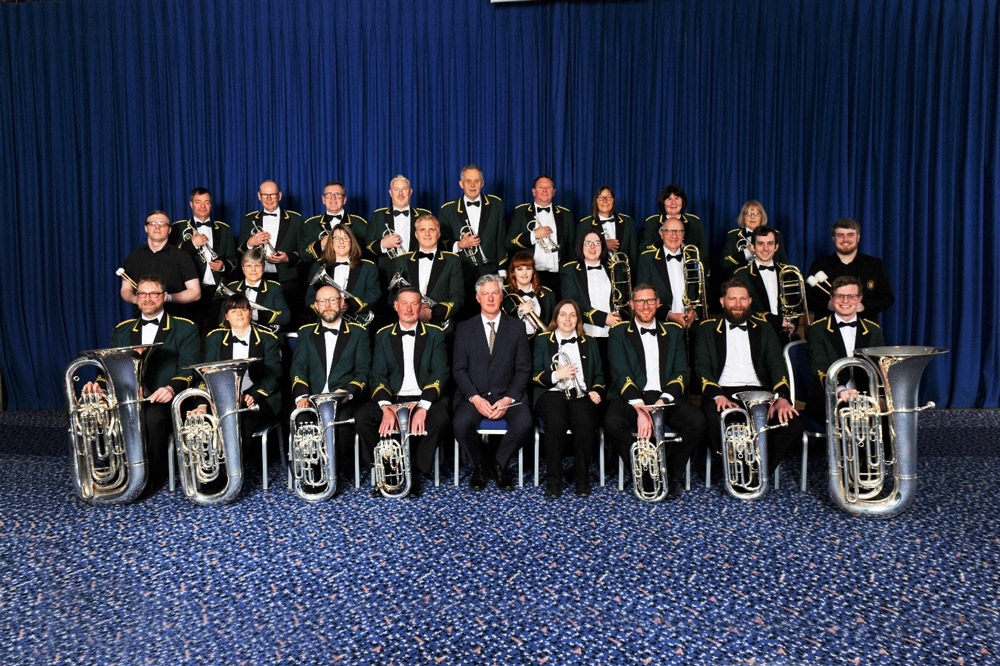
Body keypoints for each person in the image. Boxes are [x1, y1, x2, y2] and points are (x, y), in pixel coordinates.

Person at [88, 275, 200, 491]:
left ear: (164, 296)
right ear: (136, 297)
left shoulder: (185, 328)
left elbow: (189, 367)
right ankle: (115, 471)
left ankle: (150, 479)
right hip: (127, 396)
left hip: (163, 397)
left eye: (153, 294)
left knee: (151, 418)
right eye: (142, 294)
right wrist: (98, 386)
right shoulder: (122, 330)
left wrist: (171, 388)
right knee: (100, 412)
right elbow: (109, 366)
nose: (147, 299)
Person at [692, 279, 805, 485]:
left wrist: (781, 398)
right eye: (732, 299)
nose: (738, 304)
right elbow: (702, 366)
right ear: (722, 302)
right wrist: (717, 396)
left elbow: (776, 365)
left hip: (759, 392)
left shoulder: (764, 328)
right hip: (722, 391)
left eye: (743, 299)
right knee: (710, 420)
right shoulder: (707, 329)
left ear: (750, 301)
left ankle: (758, 472)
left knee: (792, 424)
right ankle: (733, 470)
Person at [602, 285, 705, 499]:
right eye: (640, 301)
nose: (646, 306)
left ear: (658, 303)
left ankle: (668, 474)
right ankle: (643, 474)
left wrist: (661, 402)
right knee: (612, 422)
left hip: (664, 395)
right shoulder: (619, 332)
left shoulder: (674, 331)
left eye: (650, 300)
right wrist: (640, 409)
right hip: (631, 395)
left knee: (697, 422)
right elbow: (620, 372)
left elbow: (681, 372)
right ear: (632, 305)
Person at [355, 288, 450, 498]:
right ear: (396, 306)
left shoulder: (435, 334)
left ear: (421, 307)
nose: (409, 309)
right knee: (363, 416)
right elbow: (377, 375)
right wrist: (386, 407)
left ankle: (416, 472)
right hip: (393, 398)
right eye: (404, 304)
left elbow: (440, 372)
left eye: (414, 303)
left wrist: (423, 407)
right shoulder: (383, 335)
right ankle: (387, 470)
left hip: (423, 397)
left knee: (440, 417)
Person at [452, 274, 533, 491]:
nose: (490, 298)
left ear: (501, 296)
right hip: (475, 395)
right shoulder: (464, 328)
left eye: (495, 293)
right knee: (460, 424)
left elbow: (523, 369)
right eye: (485, 294)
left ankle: (498, 464)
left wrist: (508, 399)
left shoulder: (517, 327)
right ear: (477, 298)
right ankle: (478, 465)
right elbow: (459, 369)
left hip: (508, 395)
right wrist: (475, 398)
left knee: (524, 423)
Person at [289, 284, 372, 474]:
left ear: (342, 303)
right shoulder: (306, 332)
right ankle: (311, 472)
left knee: (341, 423)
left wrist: (348, 393)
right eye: (322, 301)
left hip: (342, 400)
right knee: (301, 418)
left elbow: (363, 371)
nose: (327, 305)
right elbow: (298, 368)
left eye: (333, 300)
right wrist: (302, 396)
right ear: (316, 306)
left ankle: (331, 473)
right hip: (312, 398)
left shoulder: (359, 333)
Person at [531, 300, 605, 498]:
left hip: (581, 394)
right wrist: (557, 374)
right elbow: (534, 375)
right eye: (563, 314)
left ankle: (582, 479)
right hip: (551, 393)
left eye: (572, 315)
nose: (568, 319)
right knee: (556, 422)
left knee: (585, 422)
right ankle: (553, 480)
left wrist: (596, 390)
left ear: (578, 319)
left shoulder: (589, 342)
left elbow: (599, 375)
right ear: (556, 318)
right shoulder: (542, 340)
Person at [200, 294, 283, 452]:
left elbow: (273, 375)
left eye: (243, 310)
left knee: (241, 422)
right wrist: (206, 402)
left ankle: (240, 466)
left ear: (250, 313)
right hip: (223, 397)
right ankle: (217, 466)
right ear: (226, 316)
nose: (239, 314)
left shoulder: (268, 339)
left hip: (260, 397)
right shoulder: (215, 338)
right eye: (233, 311)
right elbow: (206, 373)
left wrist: (252, 395)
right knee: (204, 422)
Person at [804, 276, 885, 423]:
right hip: (828, 395)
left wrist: (880, 397)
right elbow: (819, 365)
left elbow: (879, 366)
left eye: (851, 296)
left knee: (890, 416)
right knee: (850, 414)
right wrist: (840, 390)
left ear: (859, 299)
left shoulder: (873, 329)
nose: (845, 301)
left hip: (865, 395)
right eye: (840, 296)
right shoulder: (817, 329)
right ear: (832, 298)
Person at [169, 187, 239, 329]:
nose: (202, 206)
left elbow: (233, 260)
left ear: (211, 205)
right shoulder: (178, 227)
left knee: (218, 331)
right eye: (198, 202)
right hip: (190, 289)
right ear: (191, 204)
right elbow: (172, 259)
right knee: (191, 331)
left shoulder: (224, 229)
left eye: (207, 202)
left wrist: (223, 266)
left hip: (217, 291)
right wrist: (192, 245)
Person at [237, 180, 304, 322]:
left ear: (279, 196)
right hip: (256, 277)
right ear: (259, 196)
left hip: (286, 279)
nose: (268, 199)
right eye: (264, 195)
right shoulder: (249, 219)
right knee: (255, 318)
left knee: (287, 320)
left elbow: (303, 252)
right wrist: (250, 243)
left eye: (272, 195)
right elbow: (239, 251)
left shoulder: (295, 219)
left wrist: (287, 258)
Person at [806, 217, 894, 324]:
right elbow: (807, 299)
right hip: (826, 327)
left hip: (866, 327)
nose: (845, 239)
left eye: (850, 235)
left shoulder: (874, 265)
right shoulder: (819, 265)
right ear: (833, 238)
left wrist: (864, 306)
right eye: (840, 235)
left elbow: (887, 298)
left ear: (858, 237)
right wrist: (827, 304)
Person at [559, 231, 624, 371]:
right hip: (586, 333)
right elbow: (572, 303)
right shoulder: (570, 270)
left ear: (603, 246)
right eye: (588, 243)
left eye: (597, 243)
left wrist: (619, 315)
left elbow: (623, 298)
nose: (592, 247)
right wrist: (603, 318)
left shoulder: (615, 267)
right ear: (581, 246)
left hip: (614, 333)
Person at [388, 215, 463, 329]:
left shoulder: (452, 260)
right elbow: (392, 298)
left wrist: (433, 313)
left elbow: (458, 297)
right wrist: (415, 310)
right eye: (422, 230)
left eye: (431, 230)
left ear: (438, 234)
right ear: (416, 234)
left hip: (441, 326)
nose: (427, 234)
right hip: (408, 324)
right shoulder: (402, 260)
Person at [505, 175, 575, 298]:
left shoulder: (565, 214)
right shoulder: (521, 212)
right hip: (528, 276)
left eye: (548, 187)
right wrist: (534, 235)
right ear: (534, 191)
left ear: (554, 192)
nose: (545, 190)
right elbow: (509, 243)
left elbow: (572, 248)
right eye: (541, 187)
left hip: (557, 277)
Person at [121, 210, 201, 316]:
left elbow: (195, 293)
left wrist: (168, 298)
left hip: (175, 318)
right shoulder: (133, 257)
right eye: (153, 223)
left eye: (162, 224)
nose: (157, 227)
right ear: (146, 228)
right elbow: (125, 290)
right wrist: (135, 299)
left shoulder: (182, 256)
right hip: (141, 318)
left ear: (169, 230)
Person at [439, 164, 507, 285]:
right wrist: (459, 245)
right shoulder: (447, 210)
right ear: (461, 184)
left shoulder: (496, 205)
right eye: (468, 181)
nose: (472, 185)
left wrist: (502, 270)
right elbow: (441, 242)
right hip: (460, 271)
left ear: (482, 183)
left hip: (490, 270)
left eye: (476, 181)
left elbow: (501, 238)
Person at [732, 226, 801, 341]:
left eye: (770, 243)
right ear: (753, 247)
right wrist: (777, 322)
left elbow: (795, 304)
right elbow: (743, 309)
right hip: (755, 336)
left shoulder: (788, 273)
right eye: (760, 244)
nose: (766, 248)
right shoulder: (741, 275)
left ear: (776, 247)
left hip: (784, 336)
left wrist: (792, 324)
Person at [304, 224, 379, 325]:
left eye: (346, 238)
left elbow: (374, 294)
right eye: (336, 238)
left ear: (352, 242)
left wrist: (349, 305)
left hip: (357, 323)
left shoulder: (368, 266)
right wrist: (328, 307)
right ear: (331, 242)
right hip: (326, 322)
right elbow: (309, 298)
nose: (341, 242)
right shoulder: (319, 265)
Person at [636, 217, 701, 333]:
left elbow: (703, 292)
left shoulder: (694, 257)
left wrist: (695, 313)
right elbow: (642, 295)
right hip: (660, 325)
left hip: (692, 326)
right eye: (669, 231)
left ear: (683, 234)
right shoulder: (647, 259)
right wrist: (669, 315)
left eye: (678, 231)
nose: (674, 235)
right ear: (661, 234)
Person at [366, 175, 433, 279]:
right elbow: (367, 246)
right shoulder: (378, 216)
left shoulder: (424, 215)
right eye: (396, 189)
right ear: (390, 193)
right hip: (386, 274)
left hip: (419, 271)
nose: (400, 193)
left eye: (404, 189)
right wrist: (382, 244)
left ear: (410, 192)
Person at [219, 249, 291, 332]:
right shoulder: (231, 288)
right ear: (243, 268)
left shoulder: (274, 288)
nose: (253, 269)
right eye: (249, 266)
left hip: (265, 336)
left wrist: (256, 314)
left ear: (263, 267)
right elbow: (222, 320)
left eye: (257, 265)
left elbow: (285, 317)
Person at [300, 181, 369, 266]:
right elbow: (302, 255)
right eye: (328, 194)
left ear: (344, 200)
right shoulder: (310, 225)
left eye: (337, 194)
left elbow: (368, 254)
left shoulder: (359, 223)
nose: (333, 198)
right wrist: (320, 245)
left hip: (352, 271)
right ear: (323, 199)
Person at [640, 184, 708, 264]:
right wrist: (667, 241)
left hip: (688, 267)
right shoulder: (651, 223)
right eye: (669, 199)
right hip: (659, 267)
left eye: (677, 198)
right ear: (663, 202)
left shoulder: (695, 222)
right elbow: (644, 250)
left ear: (683, 201)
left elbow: (703, 253)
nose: (673, 203)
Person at [718, 200, 787, 278]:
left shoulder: (774, 235)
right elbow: (724, 264)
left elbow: (783, 263)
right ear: (743, 217)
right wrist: (747, 252)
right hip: (741, 280)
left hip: (769, 277)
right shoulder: (733, 236)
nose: (752, 217)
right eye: (748, 213)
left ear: (761, 217)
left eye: (756, 213)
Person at [575, 186, 639, 268]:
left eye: (608, 197)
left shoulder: (628, 222)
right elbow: (579, 253)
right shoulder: (584, 224)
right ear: (596, 201)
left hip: (621, 273)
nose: (605, 200)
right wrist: (604, 245)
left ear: (613, 200)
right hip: (595, 272)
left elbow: (633, 255)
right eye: (601, 197)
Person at [502, 251, 556, 340]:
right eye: (520, 269)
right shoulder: (504, 293)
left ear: (533, 271)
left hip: (540, 343)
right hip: (513, 342)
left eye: (528, 268)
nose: (524, 273)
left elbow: (553, 322)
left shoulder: (548, 294)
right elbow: (501, 323)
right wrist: (520, 312)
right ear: (513, 272)